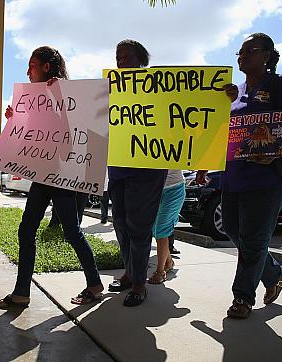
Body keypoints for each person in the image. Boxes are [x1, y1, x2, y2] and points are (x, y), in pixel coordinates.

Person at [197, 32, 282, 319]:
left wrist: (276, 152)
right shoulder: (232, 93)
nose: (242, 55)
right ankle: (274, 274)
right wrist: (203, 163)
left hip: (268, 179)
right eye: (240, 51)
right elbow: (220, 132)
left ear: (267, 56)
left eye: (250, 51)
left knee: (253, 238)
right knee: (234, 230)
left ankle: (242, 298)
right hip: (235, 177)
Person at [0, 46, 103, 309]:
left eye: (31, 65)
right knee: (27, 229)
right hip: (44, 175)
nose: (27, 71)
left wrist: (61, 91)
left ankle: (95, 284)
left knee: (71, 231)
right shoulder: (38, 98)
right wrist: (15, 118)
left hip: (62, 176)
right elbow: (35, 131)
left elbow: (74, 125)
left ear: (46, 67)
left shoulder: (64, 91)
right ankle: (21, 293)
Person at [107, 39, 167, 307]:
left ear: (142, 61)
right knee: (120, 223)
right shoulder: (110, 90)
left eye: (127, 56)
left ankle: (140, 284)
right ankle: (131, 272)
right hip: (118, 169)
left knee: (139, 227)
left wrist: (221, 97)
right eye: (118, 57)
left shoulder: (160, 88)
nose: (121, 61)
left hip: (148, 170)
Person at [148, 170, 185, 284]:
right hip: (154, 188)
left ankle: (160, 272)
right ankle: (168, 262)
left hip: (174, 187)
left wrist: (203, 171)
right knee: (155, 229)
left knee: (161, 230)